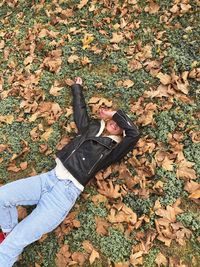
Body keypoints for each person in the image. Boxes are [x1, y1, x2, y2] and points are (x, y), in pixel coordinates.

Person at [0, 77, 140, 266]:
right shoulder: (89, 128)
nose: (117, 124)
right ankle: (8, 231)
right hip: (47, 179)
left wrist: (115, 113)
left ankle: (8, 245)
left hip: (63, 196)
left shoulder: (112, 152)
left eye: (120, 126)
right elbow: (79, 110)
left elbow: (134, 134)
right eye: (114, 121)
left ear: (120, 134)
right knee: (3, 196)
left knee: (11, 246)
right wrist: (77, 88)